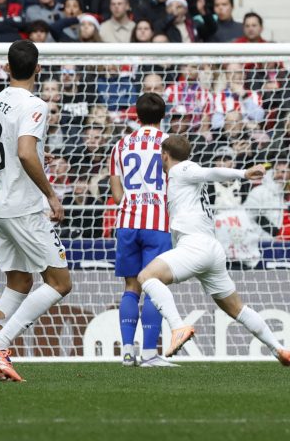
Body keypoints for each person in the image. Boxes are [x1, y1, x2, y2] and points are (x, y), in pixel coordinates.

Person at [137, 135, 290, 365]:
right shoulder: (183, 179)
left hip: (195, 247)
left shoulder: (182, 170)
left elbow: (210, 172)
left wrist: (243, 173)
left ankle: (178, 327)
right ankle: (279, 349)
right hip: (210, 249)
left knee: (146, 276)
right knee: (236, 308)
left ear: (165, 155)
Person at [0, 40, 71, 382]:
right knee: (60, 282)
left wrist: (6, 162)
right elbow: (27, 152)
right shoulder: (35, 105)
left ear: (7, 67)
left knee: (19, 281)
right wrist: (51, 195)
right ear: (38, 69)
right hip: (23, 207)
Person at [108, 93, 172, 367]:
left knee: (131, 287)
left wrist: (130, 205)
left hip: (127, 222)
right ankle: (148, 354)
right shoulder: (170, 144)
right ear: (163, 115)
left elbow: (115, 189)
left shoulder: (121, 144)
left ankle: (126, 350)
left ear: (136, 115)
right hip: (158, 223)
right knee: (155, 288)